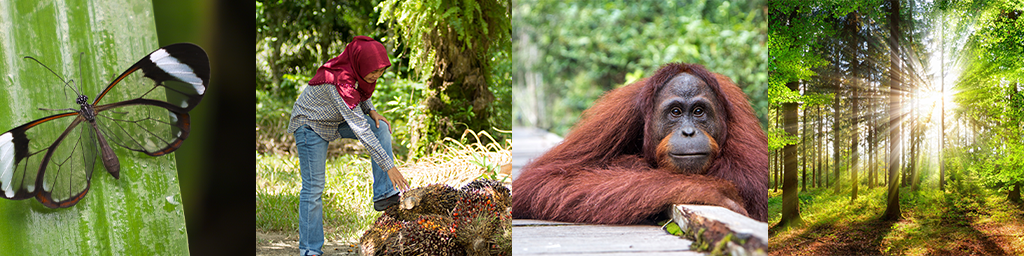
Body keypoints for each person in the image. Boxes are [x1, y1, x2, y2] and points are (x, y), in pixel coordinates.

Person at [287, 36, 410, 256]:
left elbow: (360, 93)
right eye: (373, 71)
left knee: (379, 126)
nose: (376, 76)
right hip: (309, 125)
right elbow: (359, 127)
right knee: (314, 188)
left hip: (332, 120)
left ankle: (384, 194)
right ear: (359, 63)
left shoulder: (354, 71)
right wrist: (389, 166)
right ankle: (310, 250)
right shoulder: (338, 81)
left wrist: (371, 110)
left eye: (380, 72)